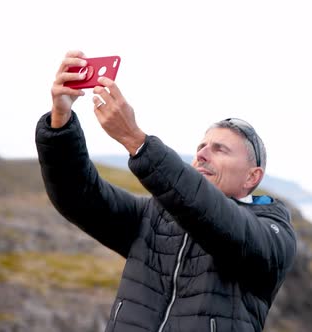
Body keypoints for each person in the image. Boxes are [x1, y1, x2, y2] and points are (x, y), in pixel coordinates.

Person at [35, 50, 297, 332]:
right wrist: (60, 118)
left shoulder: (272, 232)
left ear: (252, 176)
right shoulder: (153, 216)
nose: (202, 155)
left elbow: (221, 220)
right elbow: (78, 195)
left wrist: (136, 141)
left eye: (220, 149)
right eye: (201, 148)